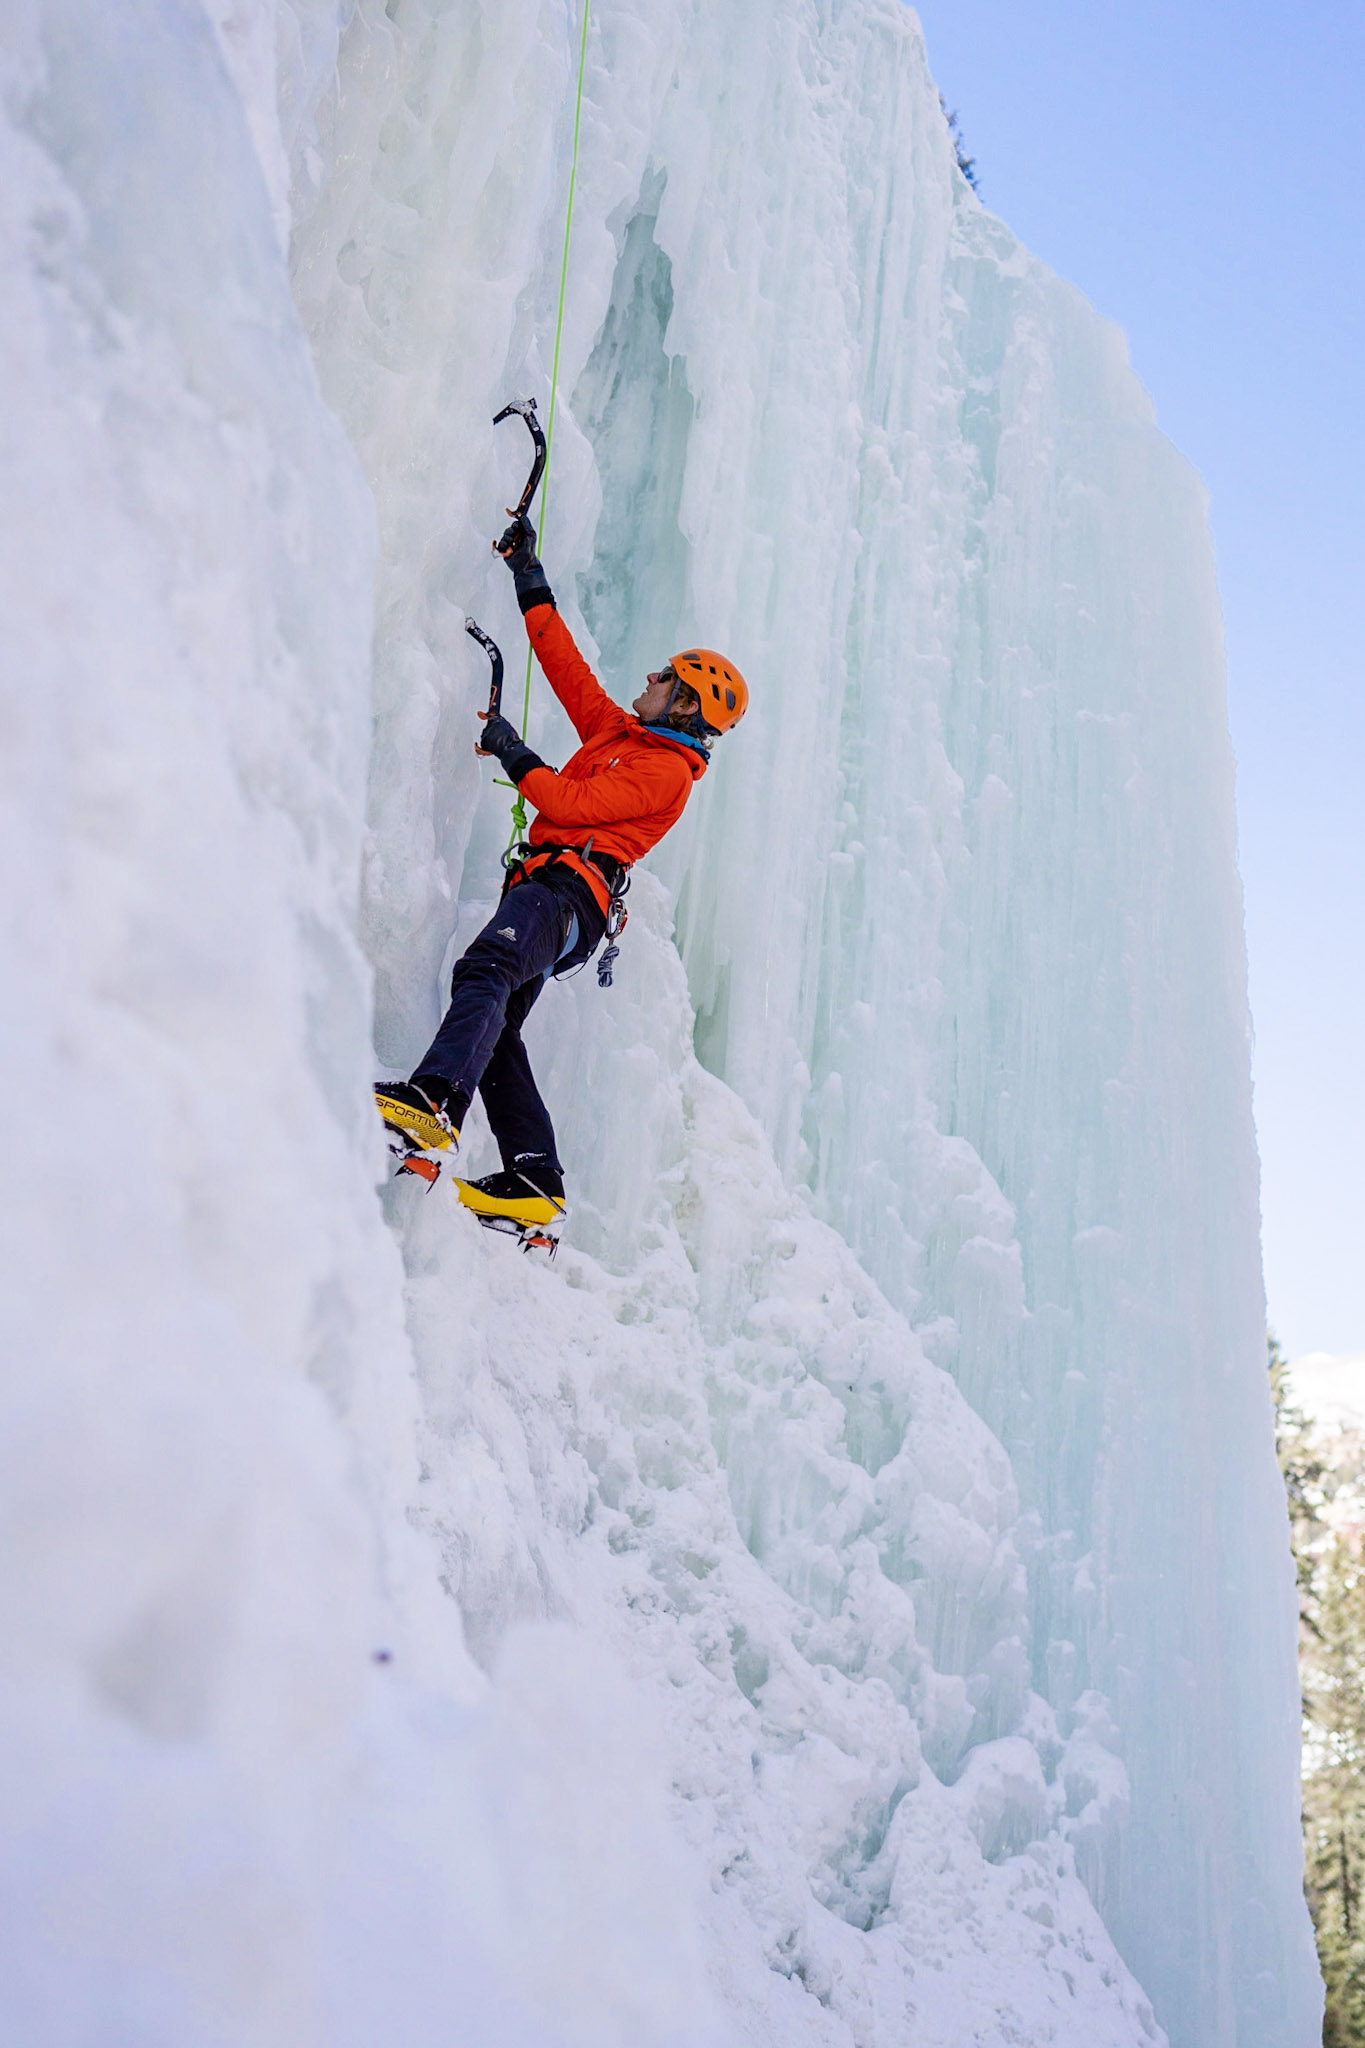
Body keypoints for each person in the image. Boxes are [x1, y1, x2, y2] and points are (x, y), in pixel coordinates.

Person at [375, 511, 748, 1235]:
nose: (649, 676)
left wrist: (514, 753)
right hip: (549, 892)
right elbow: (565, 666)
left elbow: (568, 800)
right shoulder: (623, 734)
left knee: (484, 968)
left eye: (665, 676)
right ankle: (533, 1179)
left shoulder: (665, 771)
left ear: (683, 701)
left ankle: (432, 1105)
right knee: (501, 1026)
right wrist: (529, 576)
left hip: (568, 895)